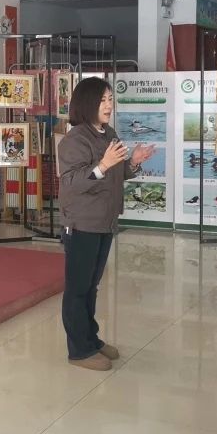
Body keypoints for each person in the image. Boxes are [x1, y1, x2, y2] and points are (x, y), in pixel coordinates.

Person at [56, 77, 155, 371]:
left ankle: (91, 340)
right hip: (82, 223)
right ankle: (79, 351)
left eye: (111, 99)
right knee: (78, 289)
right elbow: (71, 184)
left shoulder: (108, 133)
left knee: (92, 286)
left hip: (105, 221)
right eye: (103, 100)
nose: (109, 105)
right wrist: (103, 165)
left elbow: (114, 174)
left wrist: (133, 162)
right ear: (87, 103)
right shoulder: (74, 140)